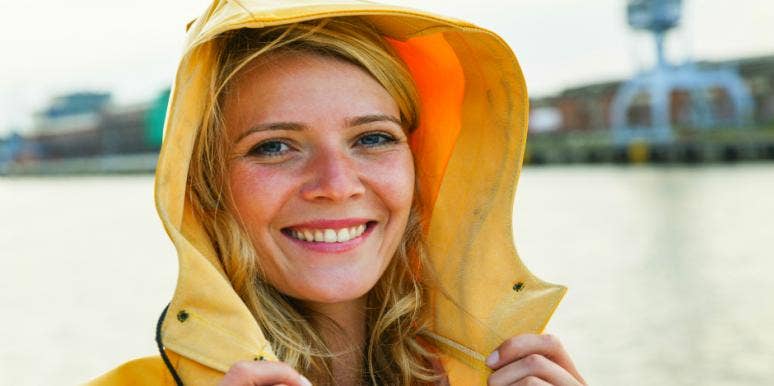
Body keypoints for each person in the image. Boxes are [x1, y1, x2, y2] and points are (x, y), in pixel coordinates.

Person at [90, 1, 585, 385]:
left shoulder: (512, 373)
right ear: (205, 186)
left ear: (422, 164)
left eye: (372, 138)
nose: (337, 185)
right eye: (275, 146)